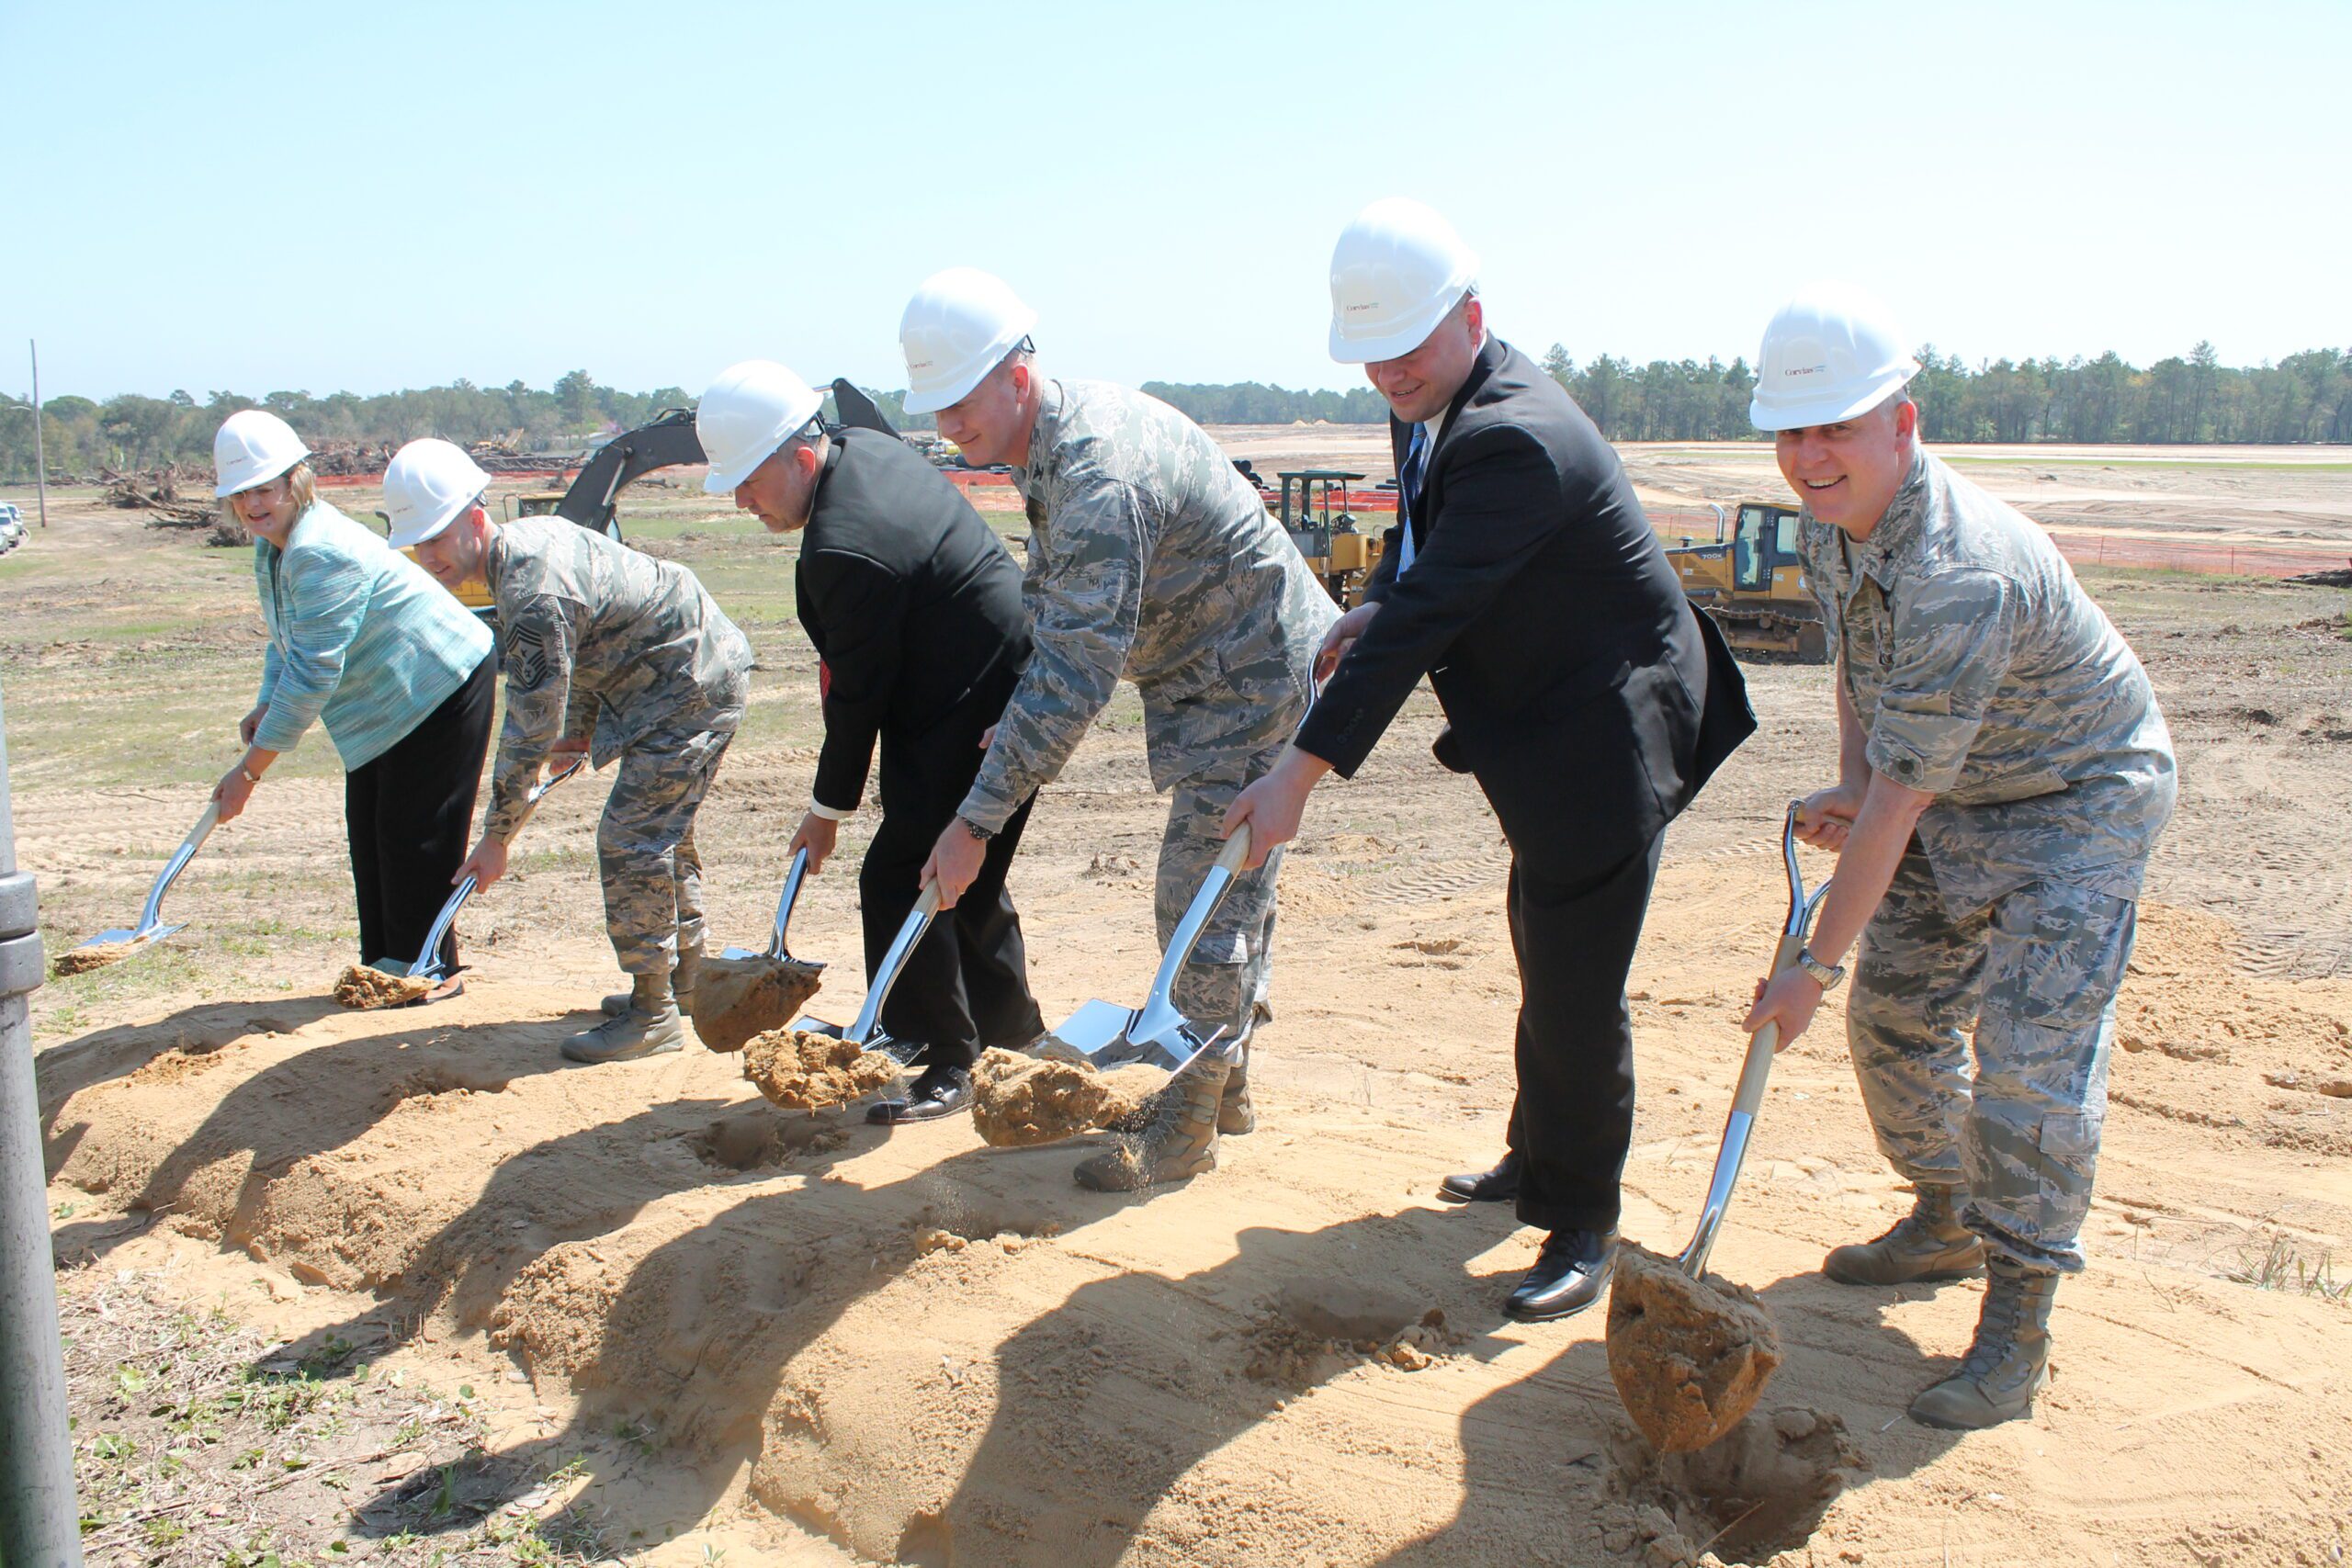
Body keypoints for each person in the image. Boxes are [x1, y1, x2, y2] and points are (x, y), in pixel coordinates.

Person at [1226, 198, 1755, 1321]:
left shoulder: (1512, 432)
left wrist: (1296, 777)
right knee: (1541, 943)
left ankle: (1582, 1221)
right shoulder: (1437, 400)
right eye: (1368, 354)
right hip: (1547, 719)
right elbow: (1430, 564)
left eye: (1407, 346)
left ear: (1471, 315)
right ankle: (1536, 1152)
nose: (1387, 373)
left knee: (1576, 987)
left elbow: (1437, 612)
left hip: (1603, 736)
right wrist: (1377, 606)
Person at [1738, 282, 2175, 1428]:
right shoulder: (1840, 525)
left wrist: (1809, 964)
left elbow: (1895, 812)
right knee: (1894, 1018)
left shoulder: (1957, 571)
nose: (1810, 455)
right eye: (1792, 430)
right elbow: (1855, 674)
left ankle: (2018, 1324)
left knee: (2032, 1062)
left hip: (2075, 797)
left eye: (1836, 426)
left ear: (1903, 423)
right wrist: (1848, 771)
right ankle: (1946, 1220)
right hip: (1951, 787)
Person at [897, 266, 1339, 1190]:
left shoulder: (1097, 472)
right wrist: (1021, 725)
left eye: (958, 401)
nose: (948, 427)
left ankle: (1182, 1126)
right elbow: (1064, 625)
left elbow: (1076, 671)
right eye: (934, 407)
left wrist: (974, 821)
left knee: (1202, 900)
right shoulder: (1052, 445)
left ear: (1015, 374)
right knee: (1229, 888)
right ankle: (1225, 1084)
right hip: (1209, 672)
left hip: (1250, 675)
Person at [697, 359, 1045, 1122]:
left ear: (798, 456)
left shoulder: (845, 547)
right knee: (963, 874)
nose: (740, 499)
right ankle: (1013, 1034)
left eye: (749, 481)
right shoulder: (859, 447)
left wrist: (826, 812)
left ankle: (940, 1054)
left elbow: (858, 700)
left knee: (900, 872)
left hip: (974, 695)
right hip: (982, 675)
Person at [387, 438, 754, 1064]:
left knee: (630, 839)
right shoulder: (527, 547)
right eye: (416, 544)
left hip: (689, 686)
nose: (428, 557)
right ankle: (684, 984)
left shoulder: (531, 589)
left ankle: (654, 1013)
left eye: (437, 538)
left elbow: (526, 728)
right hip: (677, 677)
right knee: (659, 835)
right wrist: (578, 729)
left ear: (476, 520)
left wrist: (498, 834)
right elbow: (592, 636)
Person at [209, 411, 494, 998]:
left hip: (438, 681)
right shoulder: (278, 549)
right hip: (388, 698)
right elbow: (287, 638)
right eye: (242, 493)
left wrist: (249, 774)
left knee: (413, 832)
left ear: (295, 481)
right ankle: (387, 964)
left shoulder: (318, 550)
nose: (253, 504)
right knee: (370, 830)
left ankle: (428, 972)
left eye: (265, 487)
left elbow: (315, 670)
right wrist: (267, 702)